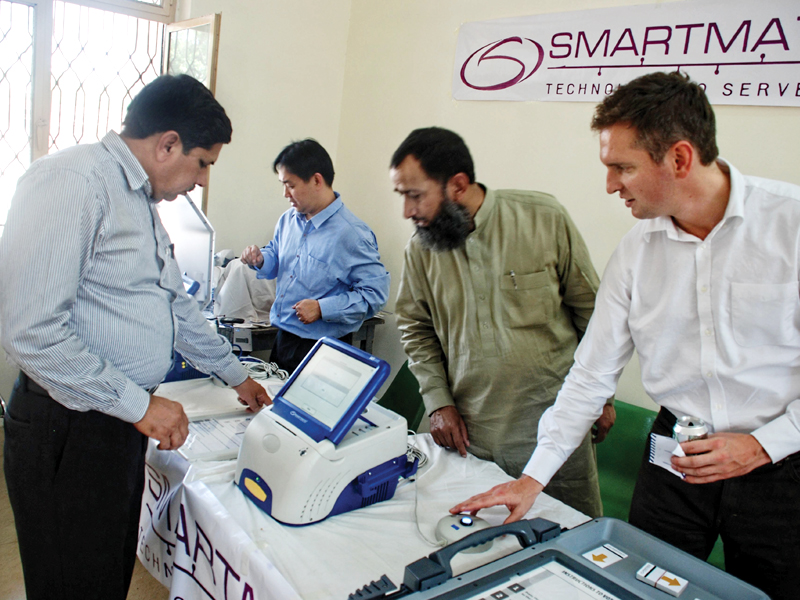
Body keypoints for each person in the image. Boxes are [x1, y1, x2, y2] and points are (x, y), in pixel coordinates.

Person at [452, 72, 800, 600]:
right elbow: (591, 374)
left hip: (783, 465)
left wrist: (761, 445)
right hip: (673, 459)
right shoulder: (636, 253)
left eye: (622, 167)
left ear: (679, 159)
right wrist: (533, 478)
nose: (611, 185)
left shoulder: (790, 225)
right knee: (636, 586)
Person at [0, 74, 270, 600]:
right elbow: (31, 334)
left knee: (103, 576)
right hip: (68, 429)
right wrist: (139, 403)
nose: (202, 180)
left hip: (113, 424)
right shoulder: (73, 181)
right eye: (203, 162)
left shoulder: (139, 202)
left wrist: (236, 374)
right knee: (72, 584)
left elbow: (175, 305)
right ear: (168, 144)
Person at [390, 127, 614, 518]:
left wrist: (602, 396)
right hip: (472, 433)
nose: (407, 211)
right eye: (402, 196)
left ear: (458, 185)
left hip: (552, 427)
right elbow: (415, 326)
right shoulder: (421, 250)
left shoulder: (542, 218)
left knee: (569, 538)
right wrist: (438, 402)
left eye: (415, 195)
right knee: (477, 544)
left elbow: (593, 312)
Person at [240, 139, 390, 373]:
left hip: (324, 350)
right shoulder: (288, 220)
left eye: (290, 185)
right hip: (284, 339)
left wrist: (322, 308)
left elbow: (375, 295)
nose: (285, 194)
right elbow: (278, 255)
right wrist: (261, 259)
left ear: (317, 180)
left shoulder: (351, 234)